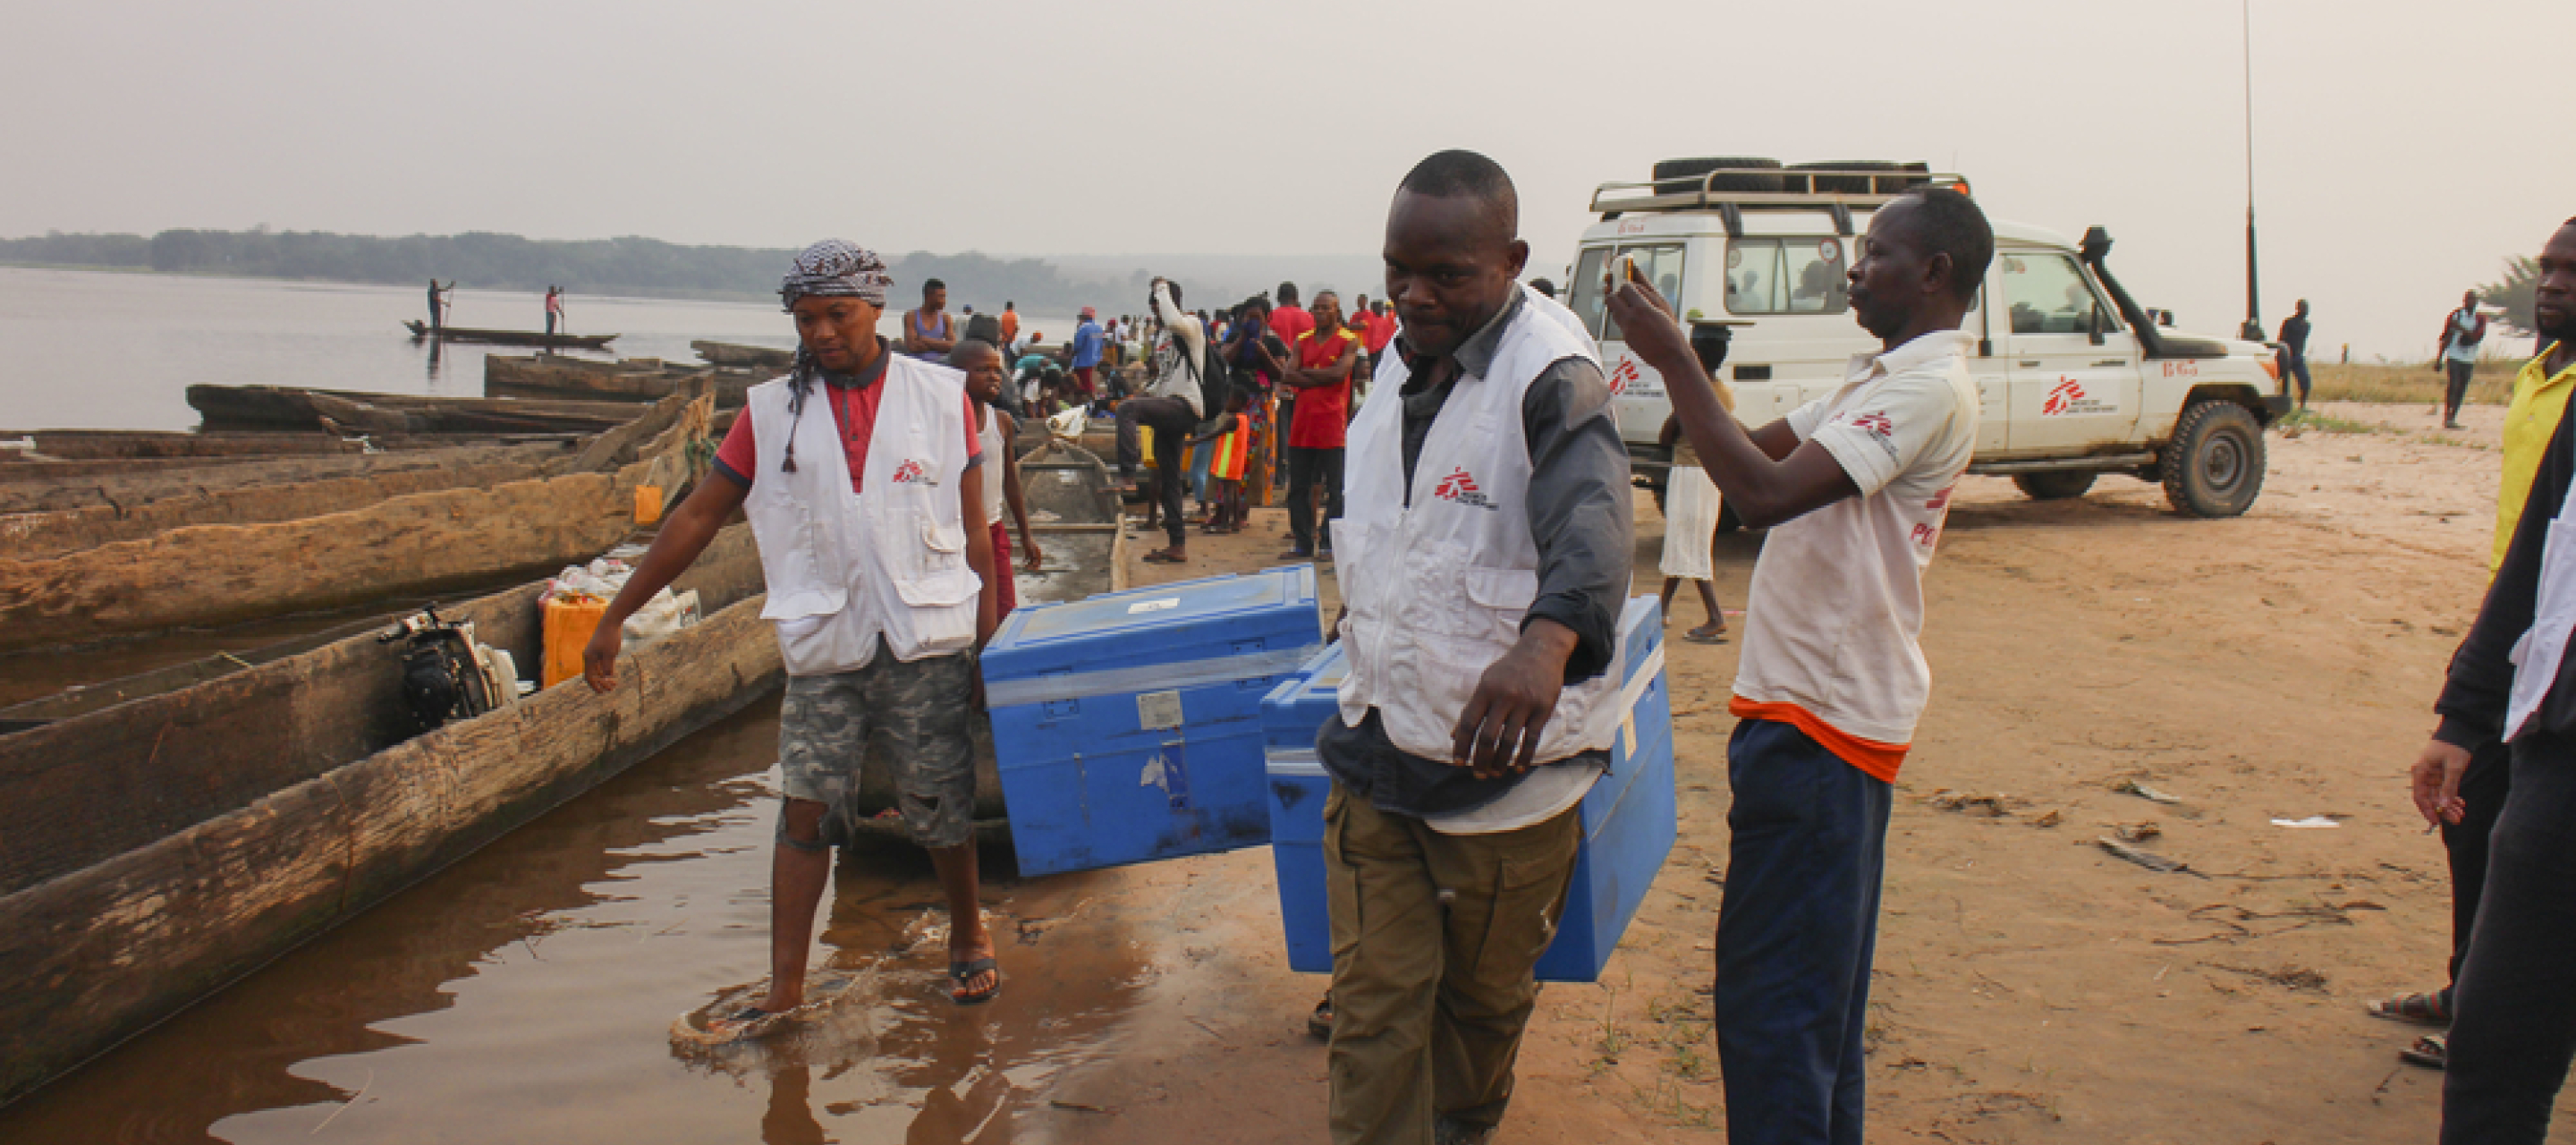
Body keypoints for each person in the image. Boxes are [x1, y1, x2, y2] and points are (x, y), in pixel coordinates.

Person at [1608, 184, 1992, 1145]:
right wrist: (1684, 392)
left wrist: (1675, 357)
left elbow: (1761, 489)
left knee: (1776, 1008)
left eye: (1877, 252)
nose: (1855, 268)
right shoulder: (1879, 377)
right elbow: (1739, 456)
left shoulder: (1926, 386)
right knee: (1813, 1011)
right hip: (1815, 720)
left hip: (1823, 727)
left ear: (1935, 274)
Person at [580, 240, 1004, 1030]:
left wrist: (994, 648)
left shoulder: (943, 398)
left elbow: (975, 534)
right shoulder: (771, 412)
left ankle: (968, 931)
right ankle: (786, 987)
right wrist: (616, 613)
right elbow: (698, 516)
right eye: (805, 319)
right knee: (804, 810)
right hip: (824, 644)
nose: (820, 333)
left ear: (876, 308)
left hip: (926, 637)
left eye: (836, 315)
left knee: (939, 801)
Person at [1320, 150, 1633, 1145]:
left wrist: (1548, 640)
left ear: (1512, 260)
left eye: (1446, 275)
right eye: (1397, 271)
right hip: (1378, 750)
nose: (1414, 296)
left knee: (1480, 1011)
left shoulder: (1555, 373)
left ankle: (1464, 1123)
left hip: (1503, 778)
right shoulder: (1399, 351)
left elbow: (1594, 516)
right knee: (1374, 1010)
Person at [2408, 219, 2576, 1133]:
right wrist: (2464, 714)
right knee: (2499, 1045)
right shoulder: (2553, 390)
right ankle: (2464, 988)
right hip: (2551, 718)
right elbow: (2532, 558)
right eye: (2547, 268)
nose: (2552, 284)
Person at [1113, 277, 1208, 564]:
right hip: (1170, 404)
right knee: (1170, 480)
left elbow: (1172, 317)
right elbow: (1166, 378)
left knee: (1126, 412)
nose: (1155, 311)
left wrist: (1161, 288)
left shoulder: (1190, 324)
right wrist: (1144, 393)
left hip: (1185, 405)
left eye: (1157, 305)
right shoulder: (1163, 336)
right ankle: (1176, 544)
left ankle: (1128, 474)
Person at [1262, 289, 1359, 560]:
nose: (1319, 312)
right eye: (1316, 307)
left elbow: (1341, 373)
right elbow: (1288, 375)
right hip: (1302, 426)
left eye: (1325, 308)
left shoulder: (1348, 341)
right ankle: (1303, 543)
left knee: (1336, 489)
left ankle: (1329, 543)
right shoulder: (1302, 341)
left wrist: (1305, 374)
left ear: (1336, 311)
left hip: (1332, 426)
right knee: (1298, 488)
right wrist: (1321, 377)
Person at [953, 338, 1046, 616]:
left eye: (997, 370)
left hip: (994, 529)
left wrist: (1026, 536)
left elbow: (1011, 484)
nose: (994, 377)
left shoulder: (1001, 422)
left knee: (1003, 608)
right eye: (983, 370)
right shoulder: (948, 423)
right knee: (965, 610)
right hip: (956, 532)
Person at [1657, 413, 1729, 645]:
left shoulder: (1691, 397)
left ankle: (1715, 616)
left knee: (1689, 544)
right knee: (1682, 542)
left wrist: (1678, 410)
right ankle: (1662, 608)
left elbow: (1664, 438)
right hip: (1704, 473)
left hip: (1691, 476)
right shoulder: (1720, 394)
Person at [1186, 386, 1254, 533]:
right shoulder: (1244, 418)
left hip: (1227, 460)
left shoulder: (1233, 420)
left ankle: (1224, 524)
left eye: (1229, 400)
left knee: (1227, 491)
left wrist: (1193, 442)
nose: (1226, 404)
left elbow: (1213, 434)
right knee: (1235, 491)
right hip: (1237, 460)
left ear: (1238, 402)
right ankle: (1235, 521)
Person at [2439, 289, 2490, 429]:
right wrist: (2439, 358)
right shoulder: (2455, 315)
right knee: (2453, 384)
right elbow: (2446, 337)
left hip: (2469, 358)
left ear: (2476, 302)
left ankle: (2453, 416)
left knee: (2462, 388)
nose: (2469, 302)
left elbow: (2476, 337)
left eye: (2472, 299)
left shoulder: (2480, 319)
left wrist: (2460, 328)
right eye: (2467, 299)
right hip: (2454, 355)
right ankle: (2447, 417)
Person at [905, 278, 958, 363]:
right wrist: (941, 346)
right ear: (928, 296)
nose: (944, 301)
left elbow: (953, 346)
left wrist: (926, 340)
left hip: (938, 365)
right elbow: (912, 347)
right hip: (916, 365)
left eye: (944, 297)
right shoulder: (911, 316)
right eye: (941, 297)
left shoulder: (946, 318)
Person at [2276, 299, 2311, 409]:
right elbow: (2281, 339)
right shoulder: (2289, 322)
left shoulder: (2306, 325)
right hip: (2286, 355)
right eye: (2303, 308)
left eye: (2307, 308)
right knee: (2275, 379)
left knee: (2305, 381)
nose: (2305, 311)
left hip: (2297, 356)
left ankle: (2302, 406)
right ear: (2298, 309)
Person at [1068, 306, 1106, 398]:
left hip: (1082, 362)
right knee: (1087, 385)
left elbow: (1077, 346)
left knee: (1083, 386)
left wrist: (1070, 356)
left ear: (1083, 317)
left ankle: (1095, 403)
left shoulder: (1083, 328)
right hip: (1094, 361)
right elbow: (1102, 345)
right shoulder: (1099, 328)